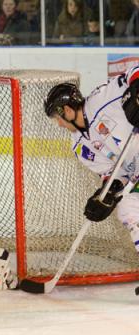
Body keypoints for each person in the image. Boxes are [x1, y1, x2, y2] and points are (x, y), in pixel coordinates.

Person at [44, 68, 139, 254]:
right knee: (128, 210)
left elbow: (133, 72)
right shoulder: (79, 147)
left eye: (57, 118)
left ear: (67, 110)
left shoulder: (101, 100)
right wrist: (107, 192)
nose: (59, 124)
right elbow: (113, 174)